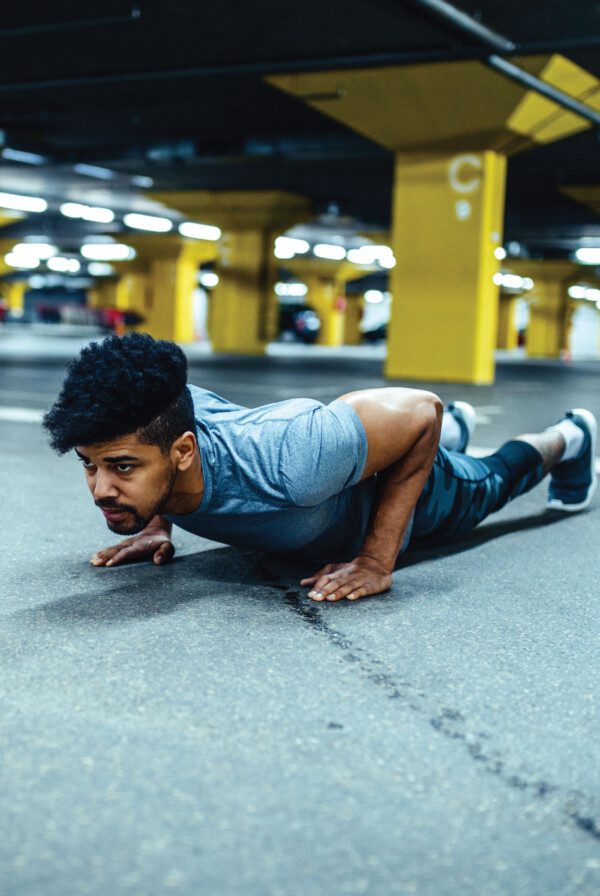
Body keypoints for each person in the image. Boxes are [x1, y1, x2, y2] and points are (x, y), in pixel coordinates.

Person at [43, 334, 597, 604]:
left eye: (120, 468)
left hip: (392, 495)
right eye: (88, 466)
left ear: (183, 451)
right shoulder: (162, 416)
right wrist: (155, 522)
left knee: (492, 479)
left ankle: (569, 436)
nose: (101, 488)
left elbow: (420, 407)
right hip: (338, 461)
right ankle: (454, 430)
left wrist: (379, 559)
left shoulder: (291, 462)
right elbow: (177, 400)